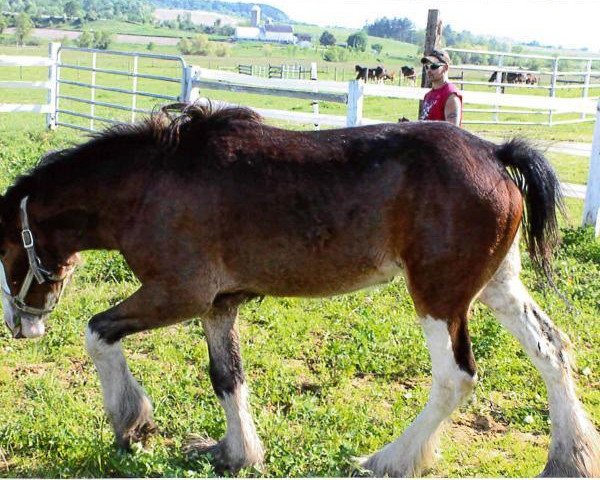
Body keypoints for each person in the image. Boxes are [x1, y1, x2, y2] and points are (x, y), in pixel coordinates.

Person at [419, 49, 463, 126]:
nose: (428, 70)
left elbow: (452, 132)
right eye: (426, 67)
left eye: (433, 66)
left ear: (445, 68)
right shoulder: (428, 95)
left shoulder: (451, 95)